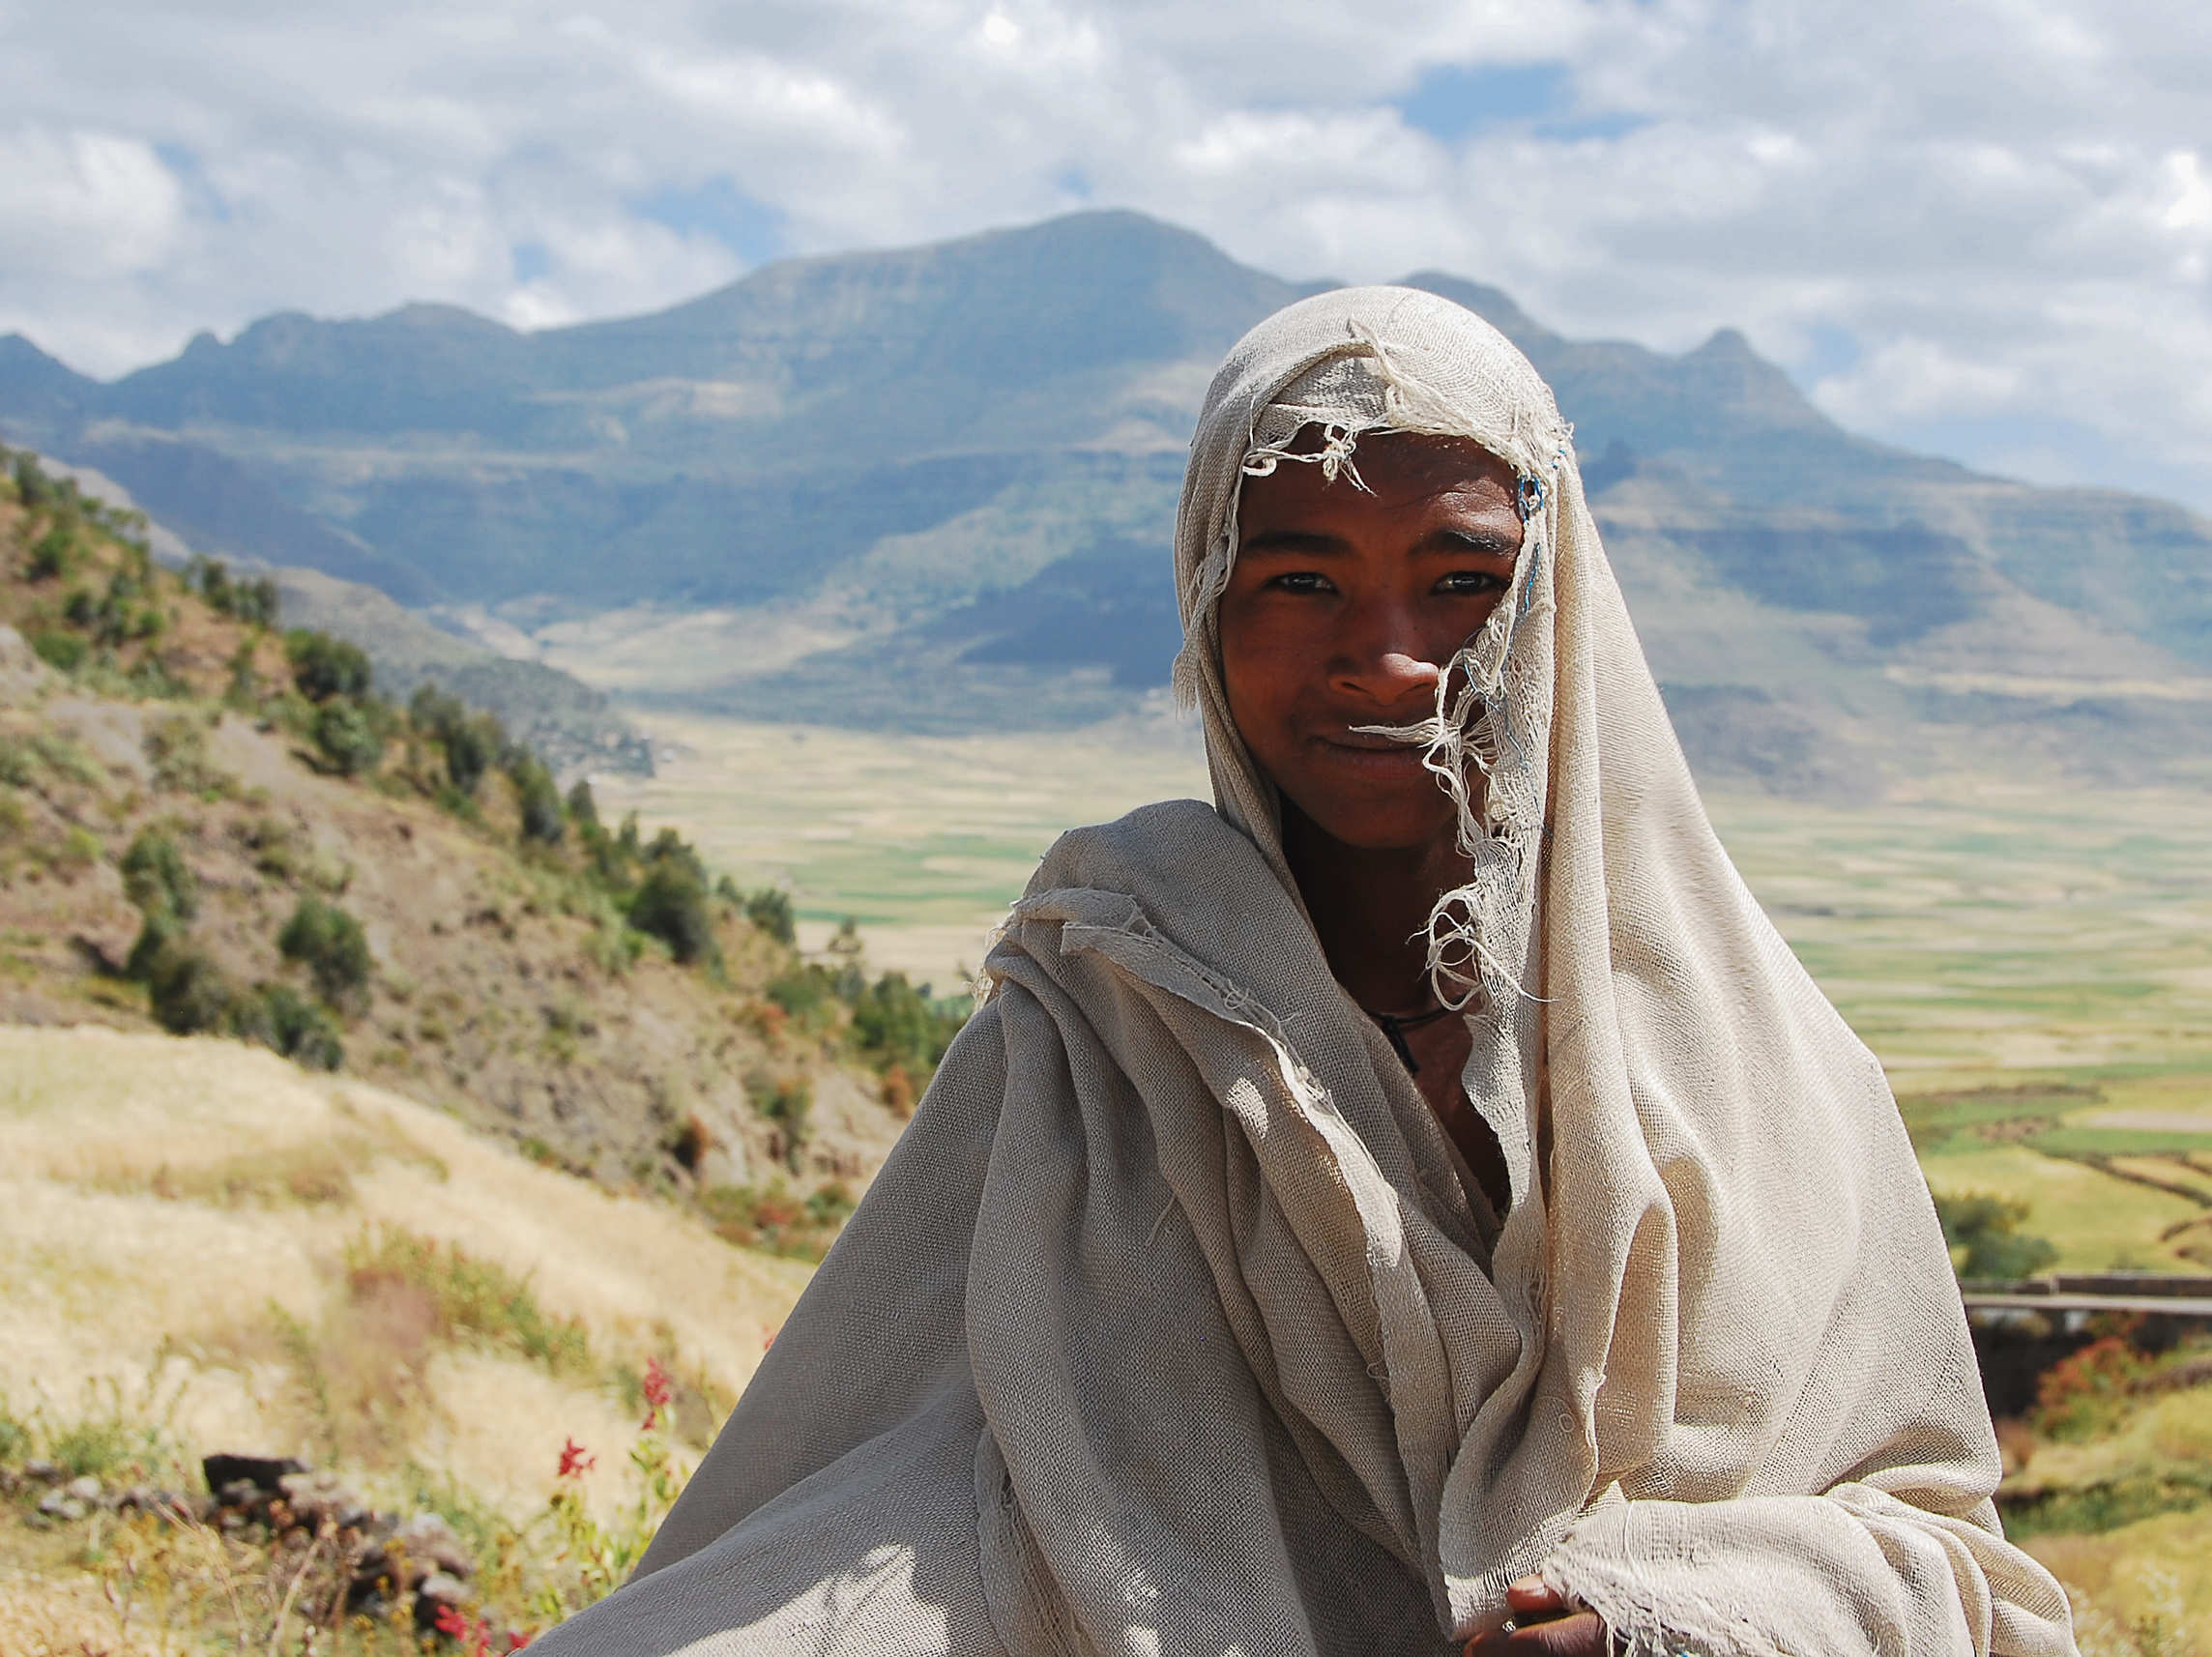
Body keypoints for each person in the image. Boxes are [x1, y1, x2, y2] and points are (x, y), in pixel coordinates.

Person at [525, 288, 2078, 1656]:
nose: (1385, 656)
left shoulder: (1771, 1077)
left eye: (1462, 578)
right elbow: (890, 1449)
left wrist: (1674, 1621)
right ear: (1209, 593)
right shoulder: (1121, 995)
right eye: (1301, 578)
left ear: (1553, 603)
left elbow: (1947, 1565)